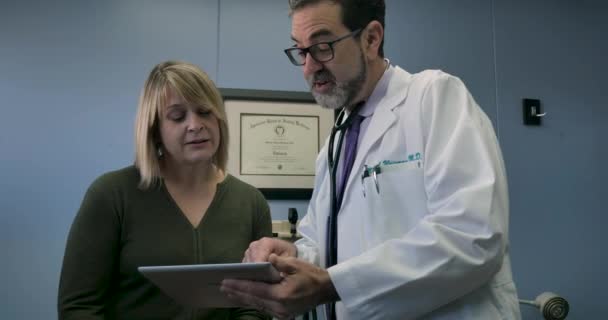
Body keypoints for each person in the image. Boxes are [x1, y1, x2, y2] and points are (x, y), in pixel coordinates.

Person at [220, 1, 522, 319]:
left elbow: (473, 237)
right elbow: (326, 244)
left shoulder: (434, 97)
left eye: (322, 47)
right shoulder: (336, 142)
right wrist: (294, 254)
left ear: (371, 39)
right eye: (301, 51)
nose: (309, 67)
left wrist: (331, 285)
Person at [58, 61, 272, 320]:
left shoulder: (250, 201)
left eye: (204, 111)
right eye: (177, 116)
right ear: (155, 130)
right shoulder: (111, 195)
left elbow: (255, 304)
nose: (195, 125)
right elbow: (79, 307)